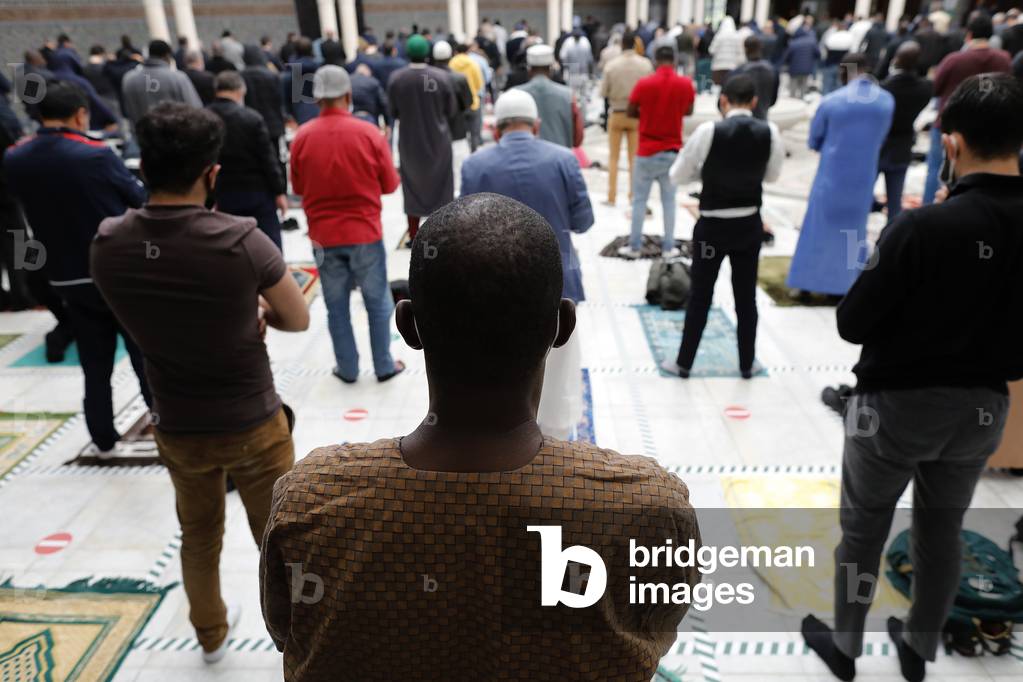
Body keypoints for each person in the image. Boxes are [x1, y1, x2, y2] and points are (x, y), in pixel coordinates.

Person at [260, 192, 701, 681]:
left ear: (407, 325)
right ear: (562, 325)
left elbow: (288, 631)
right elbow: (656, 629)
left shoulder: (311, 499)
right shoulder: (648, 508)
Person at [802, 73, 1023, 682]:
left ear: (950, 146)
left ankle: (846, 647)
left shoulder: (922, 228)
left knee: (864, 531)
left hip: (895, 411)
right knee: (942, 532)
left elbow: (852, 322)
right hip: (984, 411)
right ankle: (919, 650)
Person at [92, 101, 308, 665]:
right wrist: (256, 317)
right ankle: (295, 636)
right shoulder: (241, 240)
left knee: (199, 534)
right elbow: (297, 318)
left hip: (177, 424)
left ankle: (210, 634)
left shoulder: (109, 244)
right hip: (254, 423)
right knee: (278, 539)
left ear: (143, 169)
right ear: (211, 174)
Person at [3, 81, 152, 455]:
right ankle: (164, 421)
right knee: (143, 354)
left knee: (94, 359)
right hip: (114, 269)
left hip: (63, 273)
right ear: (80, 114)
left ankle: (102, 436)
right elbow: (137, 197)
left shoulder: (16, 157)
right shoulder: (94, 154)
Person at [460, 89, 594, 437]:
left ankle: (502, 441)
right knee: (558, 374)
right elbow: (583, 222)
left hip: (491, 288)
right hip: (557, 285)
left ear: (496, 128)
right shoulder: (564, 160)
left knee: (498, 370)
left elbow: (462, 227)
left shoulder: (475, 165)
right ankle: (555, 442)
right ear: (536, 125)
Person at [663, 75, 784, 380]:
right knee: (746, 297)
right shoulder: (769, 131)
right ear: (754, 102)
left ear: (724, 100)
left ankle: (684, 363)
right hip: (748, 224)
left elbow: (678, 175)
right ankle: (747, 364)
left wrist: (707, 173)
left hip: (712, 226)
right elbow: (771, 177)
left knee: (701, 294)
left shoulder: (708, 131)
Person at [291, 66, 405, 383]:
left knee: (336, 305)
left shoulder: (302, 137)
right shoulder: (369, 134)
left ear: (316, 100)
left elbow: (298, 190)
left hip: (323, 238)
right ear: (348, 96)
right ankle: (384, 365)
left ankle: (348, 368)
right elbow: (390, 184)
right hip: (364, 232)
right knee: (377, 302)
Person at [786, 55, 894, 298]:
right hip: (863, 181)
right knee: (852, 234)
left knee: (817, 231)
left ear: (843, 74)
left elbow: (814, 140)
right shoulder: (887, 102)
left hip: (831, 178)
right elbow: (882, 137)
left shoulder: (832, 101)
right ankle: (842, 287)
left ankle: (805, 285)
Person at [922, 12, 1011, 204]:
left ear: (968, 34)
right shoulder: (1003, 59)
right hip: (988, 127)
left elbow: (935, 88)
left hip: (950, 126)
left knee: (937, 171)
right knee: (977, 177)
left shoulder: (955, 60)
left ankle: (929, 212)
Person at [618, 46, 696, 259]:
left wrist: (649, 112)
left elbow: (631, 110)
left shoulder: (644, 84)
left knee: (639, 201)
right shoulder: (685, 84)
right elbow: (689, 110)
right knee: (669, 201)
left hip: (646, 151)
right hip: (672, 151)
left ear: (655, 61)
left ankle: (634, 247)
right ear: (675, 60)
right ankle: (669, 247)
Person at [207, 72, 288, 251]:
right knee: (269, 246)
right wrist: (279, 191)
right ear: (240, 91)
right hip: (257, 190)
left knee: (231, 244)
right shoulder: (251, 118)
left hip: (223, 190)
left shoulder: (204, 118)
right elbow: (267, 158)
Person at [388, 35, 456, 241]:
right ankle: (443, 233)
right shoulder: (441, 77)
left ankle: (414, 234)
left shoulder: (397, 79)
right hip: (438, 141)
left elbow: (393, 111)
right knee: (441, 184)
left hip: (410, 142)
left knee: (412, 185)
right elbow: (451, 111)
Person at [877, 42, 932, 222]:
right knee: (895, 200)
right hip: (903, 144)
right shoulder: (925, 88)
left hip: (882, 144)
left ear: (896, 60)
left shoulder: (884, 88)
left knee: (863, 191)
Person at [600, 31, 653, 205]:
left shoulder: (611, 65)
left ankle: (611, 196)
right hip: (637, 116)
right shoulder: (645, 65)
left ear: (621, 44)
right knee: (634, 159)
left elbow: (603, 93)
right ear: (634, 44)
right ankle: (633, 196)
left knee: (613, 158)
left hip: (616, 113)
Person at [517, 44, 584, 149]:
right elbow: (577, 139)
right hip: (560, 160)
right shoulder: (569, 95)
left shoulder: (515, 95)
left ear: (529, 70)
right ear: (551, 70)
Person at [122, 40, 202, 126]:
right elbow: (195, 109)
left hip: (143, 135)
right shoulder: (178, 78)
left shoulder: (128, 79)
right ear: (167, 56)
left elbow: (127, 110)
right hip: (176, 134)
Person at [241, 44, 285, 160]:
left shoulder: (241, 76)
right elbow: (279, 100)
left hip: (251, 124)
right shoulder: (271, 75)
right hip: (273, 123)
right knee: (275, 155)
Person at [431, 41, 473, 151]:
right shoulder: (460, 78)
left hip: (435, 132)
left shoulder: (428, 79)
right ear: (450, 56)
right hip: (457, 132)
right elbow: (468, 103)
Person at [727, 36, 779, 120]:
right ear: (761, 47)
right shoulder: (772, 70)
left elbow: (724, 101)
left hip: (740, 121)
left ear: (745, 49)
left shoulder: (738, 72)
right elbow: (773, 99)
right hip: (762, 117)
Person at [450, 42, 485, 151]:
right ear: (467, 51)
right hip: (473, 102)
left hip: (457, 104)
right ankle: (473, 152)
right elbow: (480, 84)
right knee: (474, 133)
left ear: (456, 52)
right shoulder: (473, 63)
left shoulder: (451, 63)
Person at [281, 37, 319, 125]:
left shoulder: (289, 74)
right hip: (320, 112)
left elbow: (286, 99)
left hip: (299, 114)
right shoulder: (320, 70)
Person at [349, 63, 390, 129]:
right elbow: (383, 103)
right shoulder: (374, 82)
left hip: (351, 118)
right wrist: (387, 123)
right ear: (368, 72)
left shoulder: (348, 80)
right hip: (370, 119)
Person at [782, 27, 818, 98]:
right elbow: (818, 54)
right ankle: (801, 99)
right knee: (803, 87)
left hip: (794, 69)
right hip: (806, 69)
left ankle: (792, 102)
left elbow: (786, 57)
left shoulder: (793, 43)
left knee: (793, 87)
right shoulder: (811, 42)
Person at [709, 16, 745, 84]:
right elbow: (740, 52)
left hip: (718, 66)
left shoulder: (719, 36)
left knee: (718, 86)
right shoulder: (737, 36)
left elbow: (711, 50)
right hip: (732, 66)